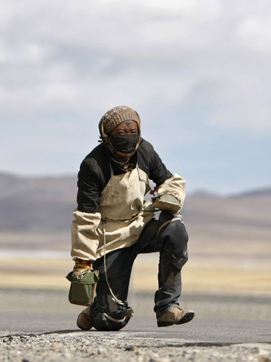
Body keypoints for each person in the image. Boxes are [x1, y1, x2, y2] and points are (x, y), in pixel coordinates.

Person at [70, 105, 193, 331]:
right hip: (110, 238)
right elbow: (86, 217)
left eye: (132, 132)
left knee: (175, 229)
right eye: (120, 133)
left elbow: (167, 180)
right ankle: (97, 309)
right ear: (106, 136)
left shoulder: (145, 151)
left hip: (140, 225)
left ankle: (167, 307)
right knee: (112, 321)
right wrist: (82, 263)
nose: (128, 138)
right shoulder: (93, 165)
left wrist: (171, 196)